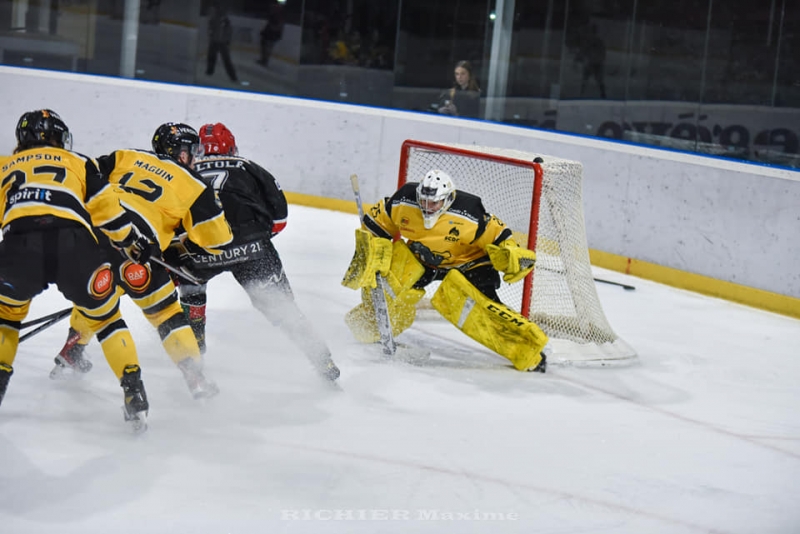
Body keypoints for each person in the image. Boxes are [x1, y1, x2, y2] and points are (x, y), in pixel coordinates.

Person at [52, 122, 234, 400]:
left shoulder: (125, 156)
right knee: (166, 314)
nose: (195, 157)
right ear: (179, 152)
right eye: (191, 151)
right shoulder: (194, 185)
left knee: (97, 299)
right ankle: (195, 377)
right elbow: (218, 240)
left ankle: (71, 350)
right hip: (139, 248)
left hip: (92, 238)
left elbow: (85, 180)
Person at [0, 109, 151, 430]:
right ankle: (133, 392)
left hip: (20, 246)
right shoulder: (79, 161)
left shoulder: (5, 168)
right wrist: (134, 243)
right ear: (58, 137)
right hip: (75, 246)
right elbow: (107, 210)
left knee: (6, 319)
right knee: (108, 318)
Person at [165, 122, 340, 383]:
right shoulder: (248, 166)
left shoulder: (185, 173)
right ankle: (322, 360)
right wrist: (251, 242)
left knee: (191, 288)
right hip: (253, 247)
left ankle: (195, 363)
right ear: (232, 146)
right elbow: (279, 218)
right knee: (283, 309)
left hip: (200, 250)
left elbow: (171, 224)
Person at [341, 169, 548, 373]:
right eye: (423, 201)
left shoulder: (469, 213)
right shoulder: (404, 201)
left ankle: (528, 351)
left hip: (469, 263)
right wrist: (371, 248)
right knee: (389, 281)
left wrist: (510, 253)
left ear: (448, 199)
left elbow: (499, 234)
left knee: (482, 310)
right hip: (423, 260)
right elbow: (377, 224)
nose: (427, 208)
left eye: (434, 203)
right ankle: (372, 326)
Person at [206, 2, 238, 82]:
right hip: (214, 40)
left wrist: (227, 40)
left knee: (226, 60)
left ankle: (233, 77)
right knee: (211, 57)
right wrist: (211, 33)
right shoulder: (214, 19)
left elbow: (229, 31)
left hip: (222, 42)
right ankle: (210, 71)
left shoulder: (226, 20)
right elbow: (211, 28)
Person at [576, 24, 607, 99]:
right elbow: (584, 50)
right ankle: (602, 94)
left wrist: (579, 57)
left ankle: (581, 93)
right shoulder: (597, 41)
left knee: (588, 79)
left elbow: (584, 50)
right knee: (596, 80)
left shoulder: (592, 40)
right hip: (594, 63)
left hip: (593, 63)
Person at [257, 2, 284, 67]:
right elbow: (270, 24)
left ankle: (265, 60)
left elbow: (279, 26)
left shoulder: (278, 16)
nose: (271, 8)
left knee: (268, 46)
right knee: (265, 45)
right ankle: (264, 60)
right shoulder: (273, 15)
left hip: (273, 34)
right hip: (270, 33)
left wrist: (272, 29)